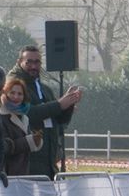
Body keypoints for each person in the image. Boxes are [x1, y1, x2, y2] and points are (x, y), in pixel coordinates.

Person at [15, 45, 83, 178]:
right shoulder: (15, 87)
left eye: (37, 62)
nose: (34, 66)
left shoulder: (46, 89)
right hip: (28, 161)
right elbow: (28, 114)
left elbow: (59, 121)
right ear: (20, 62)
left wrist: (68, 105)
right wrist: (59, 104)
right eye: (29, 62)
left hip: (49, 160)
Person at [0, 74, 43, 178]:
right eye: (12, 93)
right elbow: (2, 146)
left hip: (23, 173)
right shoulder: (0, 116)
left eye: (20, 94)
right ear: (5, 93)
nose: (16, 97)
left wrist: (37, 140)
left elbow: (27, 142)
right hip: (6, 174)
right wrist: (29, 141)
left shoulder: (24, 117)